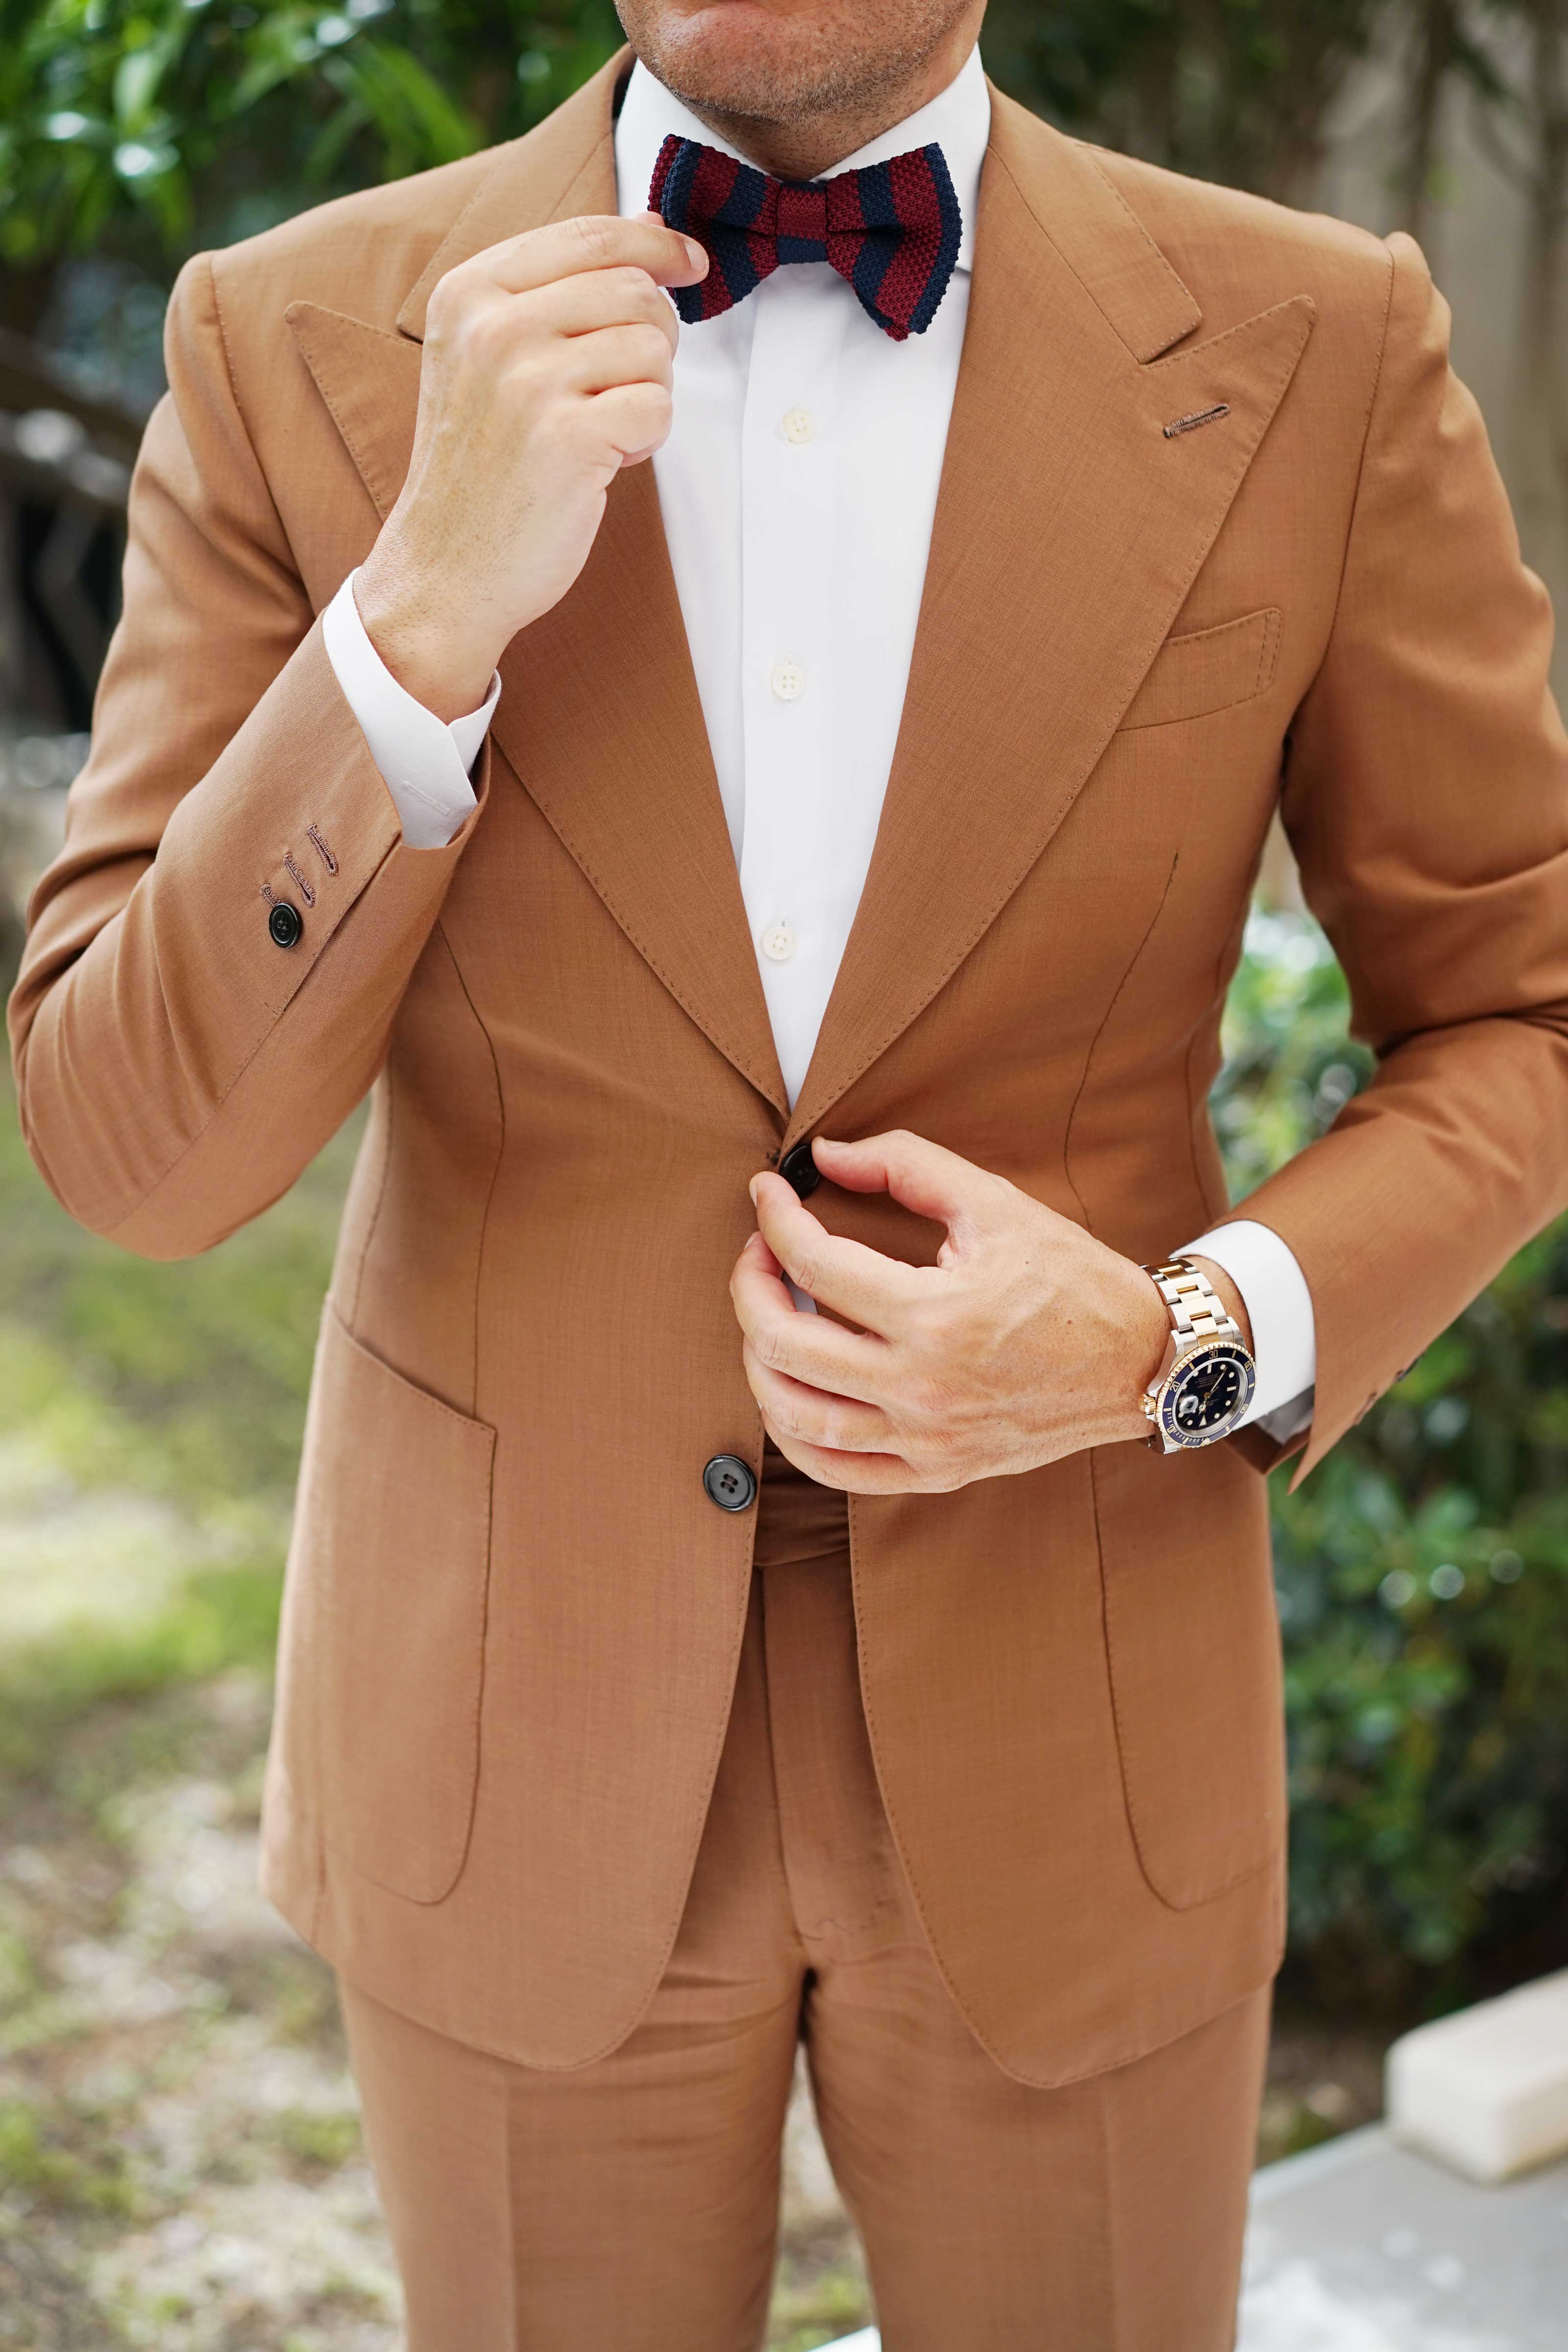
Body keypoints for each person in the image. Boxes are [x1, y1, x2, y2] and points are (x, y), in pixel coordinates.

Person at [10, 0, 1568, 2341]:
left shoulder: (1315, 339)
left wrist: (1174, 1336)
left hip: (1080, 1721)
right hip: (505, 1748)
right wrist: (418, 613)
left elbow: (1513, 1010)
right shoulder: (292, 340)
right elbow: (131, 1156)